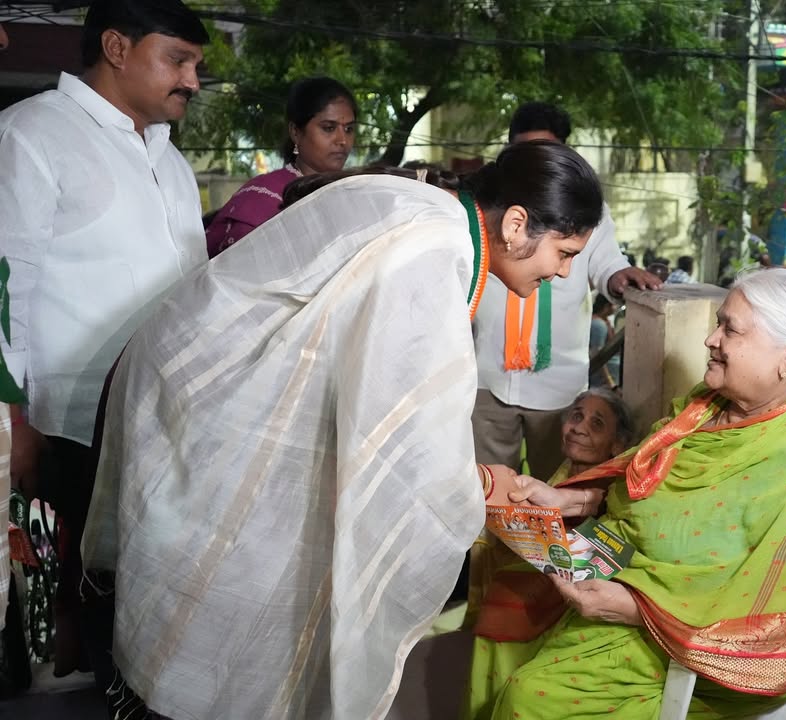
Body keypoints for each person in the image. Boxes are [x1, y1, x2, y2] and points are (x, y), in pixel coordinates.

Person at [80, 140, 605, 719]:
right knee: (226, 586)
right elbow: (405, 439)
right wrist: (480, 485)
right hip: (216, 398)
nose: (563, 271)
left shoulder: (433, 211)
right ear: (514, 225)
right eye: (564, 251)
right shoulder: (433, 252)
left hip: (192, 373)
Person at [465, 268, 786, 719]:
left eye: (729, 329)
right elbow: (639, 477)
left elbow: (781, 623)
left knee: (530, 698)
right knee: (507, 596)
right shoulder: (708, 405)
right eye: (718, 323)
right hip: (613, 558)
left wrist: (638, 611)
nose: (710, 339)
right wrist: (572, 500)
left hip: (682, 632)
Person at [0, 0, 209, 677]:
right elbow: (6, 285)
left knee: (144, 593)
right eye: (177, 60)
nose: (192, 81)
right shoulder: (31, 134)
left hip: (164, 420)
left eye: (196, 65)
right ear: (117, 48)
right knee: (71, 599)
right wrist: (14, 422)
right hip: (68, 420)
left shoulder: (172, 162)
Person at [471, 101, 661, 483]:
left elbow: (605, 260)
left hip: (556, 384)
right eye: (524, 152)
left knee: (554, 486)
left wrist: (619, 275)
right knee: (485, 489)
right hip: (485, 375)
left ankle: (549, 546)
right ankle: (489, 546)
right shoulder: (488, 207)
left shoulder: (583, 209)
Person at [465, 388, 634, 625]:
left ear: (616, 445)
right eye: (576, 416)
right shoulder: (564, 470)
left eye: (596, 424)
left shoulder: (614, 485)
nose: (578, 428)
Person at [205, 76, 358, 258]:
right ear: (295, 132)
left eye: (349, 129)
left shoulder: (358, 194)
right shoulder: (260, 200)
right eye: (328, 128)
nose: (342, 140)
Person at [588, 295, 620, 389]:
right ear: (606, 307)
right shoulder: (599, 325)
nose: (615, 308)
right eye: (613, 305)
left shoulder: (601, 321)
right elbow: (597, 353)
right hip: (602, 380)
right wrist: (609, 381)